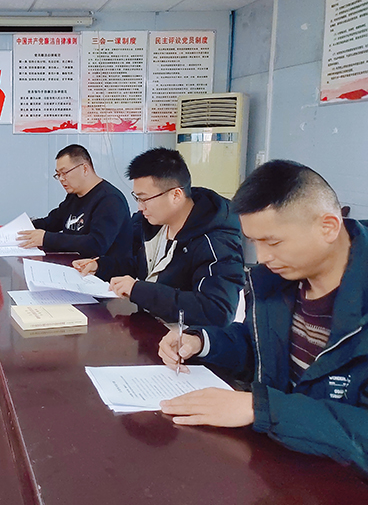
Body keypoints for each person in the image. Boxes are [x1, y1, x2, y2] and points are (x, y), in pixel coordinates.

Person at [158, 160, 368, 475]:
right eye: (254, 242)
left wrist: (262, 408)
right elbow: (261, 346)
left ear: (328, 226)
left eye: (273, 242)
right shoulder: (278, 281)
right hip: (279, 462)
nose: (262, 257)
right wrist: (201, 341)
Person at [74, 148, 244, 326]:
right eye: (137, 198)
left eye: (145, 199)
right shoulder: (155, 223)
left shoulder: (216, 241)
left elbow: (217, 310)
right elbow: (145, 267)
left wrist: (139, 291)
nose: (140, 207)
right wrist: (100, 266)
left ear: (176, 195)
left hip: (186, 338)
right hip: (151, 325)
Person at [17, 144, 131, 263]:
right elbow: (52, 222)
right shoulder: (74, 196)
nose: (61, 179)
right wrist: (23, 227)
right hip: (74, 266)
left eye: (64, 173)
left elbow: (96, 244)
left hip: (103, 272)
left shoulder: (110, 200)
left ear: (85, 169)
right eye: (58, 175)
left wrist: (47, 238)